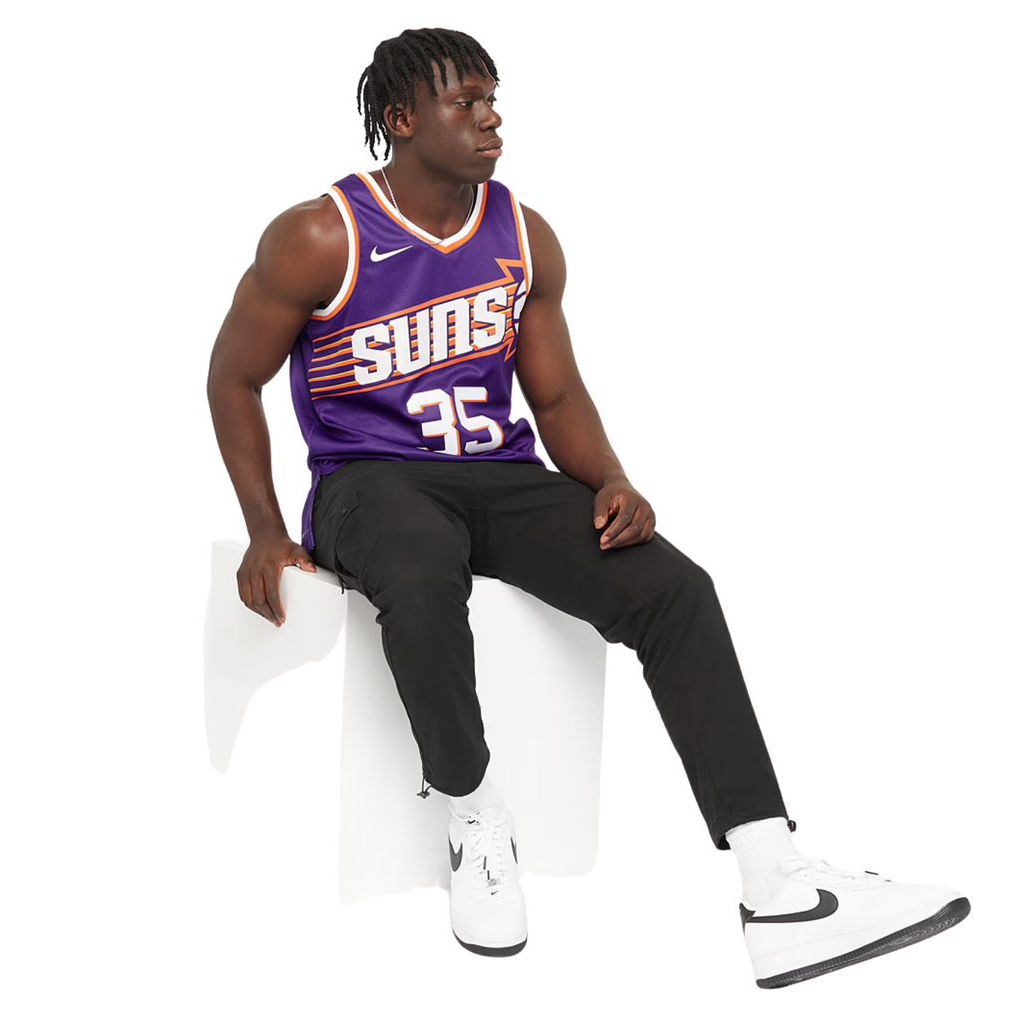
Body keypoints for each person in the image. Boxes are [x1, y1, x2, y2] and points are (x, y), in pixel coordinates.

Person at [206, 27, 969, 985]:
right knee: (421, 574)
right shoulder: (321, 235)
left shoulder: (524, 235)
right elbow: (233, 377)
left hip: (499, 472)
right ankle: (474, 818)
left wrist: (611, 478)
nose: (491, 118)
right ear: (400, 119)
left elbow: (557, 395)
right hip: (372, 478)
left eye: (494, 98)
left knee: (674, 588)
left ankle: (774, 878)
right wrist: (266, 529)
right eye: (465, 101)